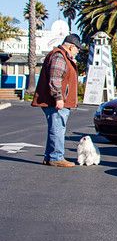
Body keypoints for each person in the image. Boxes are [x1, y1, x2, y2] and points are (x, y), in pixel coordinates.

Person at [31, 33, 83, 167]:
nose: (77, 52)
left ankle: (50, 156)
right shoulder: (60, 56)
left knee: (56, 128)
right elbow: (55, 79)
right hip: (57, 101)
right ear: (71, 47)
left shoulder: (63, 56)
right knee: (58, 129)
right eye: (77, 49)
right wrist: (58, 98)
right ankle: (56, 157)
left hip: (57, 100)